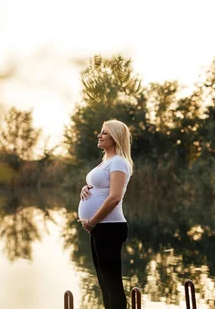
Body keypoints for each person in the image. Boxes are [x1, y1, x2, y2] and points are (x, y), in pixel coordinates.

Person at [77, 119, 133, 309]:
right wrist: (85, 189)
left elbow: (115, 197)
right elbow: (101, 187)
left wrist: (92, 221)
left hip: (109, 227)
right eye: (101, 132)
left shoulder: (118, 162)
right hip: (101, 228)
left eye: (104, 133)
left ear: (115, 137)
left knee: (112, 283)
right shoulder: (107, 161)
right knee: (104, 283)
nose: (99, 136)